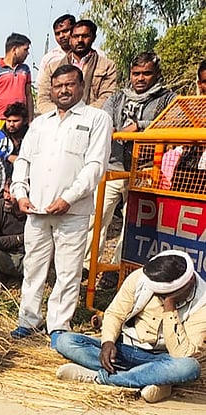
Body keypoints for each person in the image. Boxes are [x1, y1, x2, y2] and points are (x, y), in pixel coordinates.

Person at [10, 65, 111, 341]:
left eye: (69, 85)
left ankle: (58, 326)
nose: (64, 90)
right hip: (37, 209)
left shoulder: (97, 119)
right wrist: (20, 192)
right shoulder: (41, 123)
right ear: (51, 90)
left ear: (81, 87)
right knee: (33, 268)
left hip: (73, 211)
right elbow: (23, 161)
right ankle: (28, 320)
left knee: (68, 271)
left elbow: (95, 166)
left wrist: (68, 198)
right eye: (58, 86)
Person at [53, 251, 206, 403]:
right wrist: (108, 342)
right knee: (65, 341)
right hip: (124, 348)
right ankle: (153, 379)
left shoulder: (202, 301)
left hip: (162, 358)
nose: (159, 297)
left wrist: (170, 306)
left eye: (163, 295)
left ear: (185, 286)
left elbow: (182, 354)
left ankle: (103, 378)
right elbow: (115, 314)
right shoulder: (141, 277)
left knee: (189, 367)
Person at [86, 52, 176, 289]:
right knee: (95, 217)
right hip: (114, 166)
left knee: (132, 224)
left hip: (147, 169)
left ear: (156, 74)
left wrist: (141, 127)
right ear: (130, 74)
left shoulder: (168, 98)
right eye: (136, 73)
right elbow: (102, 118)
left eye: (146, 73)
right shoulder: (118, 98)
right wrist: (111, 127)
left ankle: (116, 270)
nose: (141, 78)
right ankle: (86, 267)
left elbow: (173, 123)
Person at [37, 20, 117, 114]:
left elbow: (107, 98)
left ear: (93, 38)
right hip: (58, 122)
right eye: (76, 36)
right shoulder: (53, 68)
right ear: (70, 39)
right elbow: (43, 99)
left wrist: (81, 114)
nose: (79, 40)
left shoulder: (107, 66)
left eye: (85, 36)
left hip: (92, 120)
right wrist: (62, 114)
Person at [0, 33, 33, 131]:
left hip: (21, 120)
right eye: (25, 49)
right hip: (0, 120)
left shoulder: (25, 69)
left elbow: (29, 95)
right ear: (14, 50)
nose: (27, 53)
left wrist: (30, 120)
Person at [0, 179, 26, 282]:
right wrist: (21, 238)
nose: (6, 197)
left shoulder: (33, 211)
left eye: (11, 193)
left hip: (28, 257)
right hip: (5, 256)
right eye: (5, 192)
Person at [0, 102, 29, 168]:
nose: (11, 124)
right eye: (8, 121)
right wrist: (7, 156)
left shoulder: (30, 136)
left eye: (15, 121)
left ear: (25, 121)